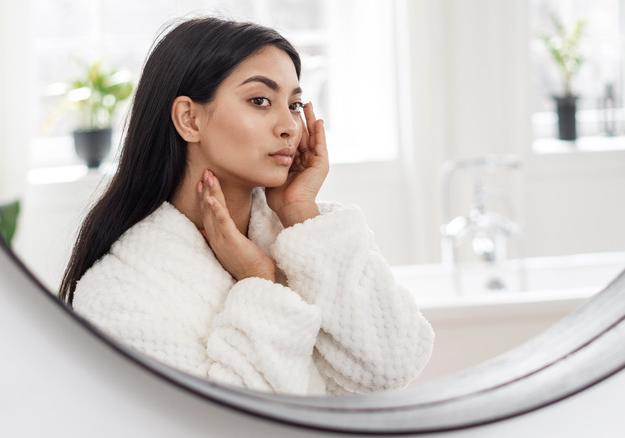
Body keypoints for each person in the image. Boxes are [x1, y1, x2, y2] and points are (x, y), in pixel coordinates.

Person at [59, 16, 434, 396]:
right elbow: (228, 425)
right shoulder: (119, 293)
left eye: (295, 103)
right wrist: (260, 282)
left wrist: (299, 211)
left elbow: (393, 366)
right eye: (260, 101)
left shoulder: (311, 235)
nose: (289, 125)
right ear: (189, 119)